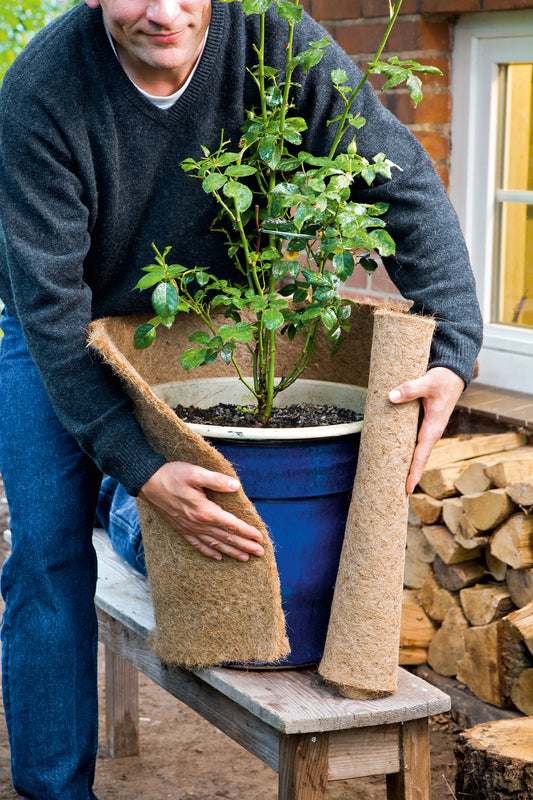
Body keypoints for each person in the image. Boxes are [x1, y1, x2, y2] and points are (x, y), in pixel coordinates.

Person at [0, 0, 482, 796]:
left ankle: (127, 511)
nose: (163, 12)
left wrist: (454, 343)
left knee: (167, 510)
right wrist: (139, 464)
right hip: (59, 324)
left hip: (203, 321)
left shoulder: (274, 41)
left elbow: (394, 172)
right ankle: (55, 788)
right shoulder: (41, 93)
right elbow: (51, 311)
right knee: (47, 551)